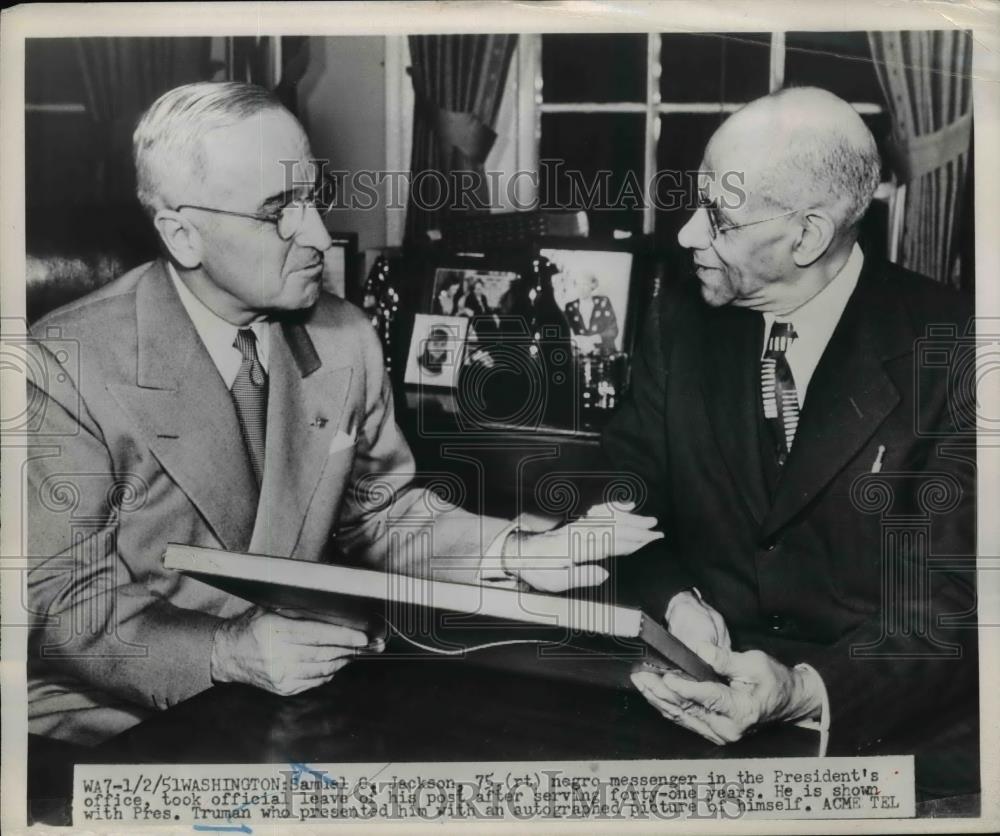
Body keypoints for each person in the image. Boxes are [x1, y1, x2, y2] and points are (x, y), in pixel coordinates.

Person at [25, 81, 662, 746]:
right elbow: (63, 606)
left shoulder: (344, 336)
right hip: (113, 713)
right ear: (183, 235)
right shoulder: (65, 364)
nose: (320, 235)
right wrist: (225, 651)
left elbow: (378, 512)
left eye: (312, 197)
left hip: (292, 695)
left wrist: (519, 552)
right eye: (279, 212)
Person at [606, 87, 977, 799]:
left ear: (807, 236)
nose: (686, 235)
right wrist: (675, 600)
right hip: (691, 711)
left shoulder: (955, 349)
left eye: (716, 216)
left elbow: (959, 603)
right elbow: (625, 483)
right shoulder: (682, 315)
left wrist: (806, 689)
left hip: (886, 732)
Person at [564, 272, 619, 355]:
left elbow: (613, 330)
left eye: (585, 285)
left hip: (603, 353)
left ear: (592, 286)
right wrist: (576, 340)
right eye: (578, 284)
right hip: (579, 354)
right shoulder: (570, 307)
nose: (581, 288)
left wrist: (593, 339)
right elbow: (565, 332)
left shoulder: (603, 302)